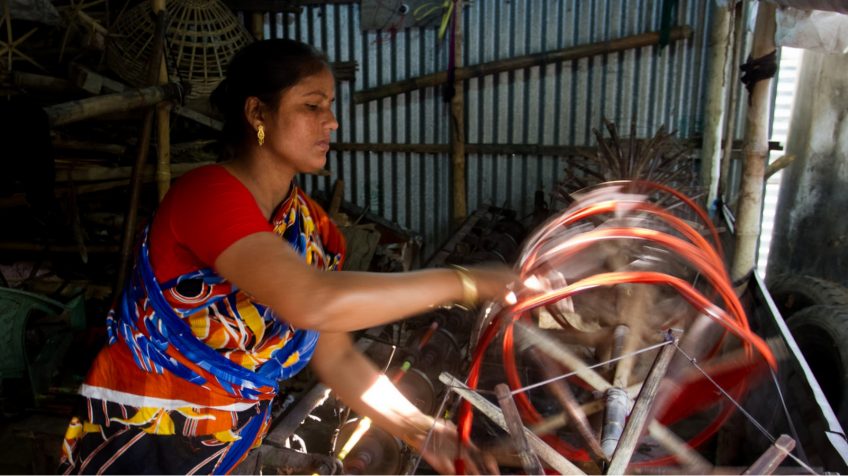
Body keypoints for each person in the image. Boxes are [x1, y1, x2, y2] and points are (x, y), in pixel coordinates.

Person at [58, 38, 513, 475]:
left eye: (331, 106)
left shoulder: (314, 230)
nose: (331, 122)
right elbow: (310, 300)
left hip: (230, 447)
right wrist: (466, 282)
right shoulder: (206, 196)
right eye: (312, 106)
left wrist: (419, 429)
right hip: (143, 443)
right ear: (257, 112)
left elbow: (334, 356)